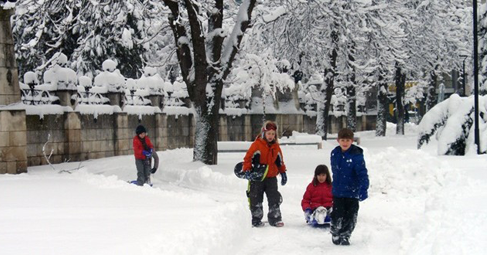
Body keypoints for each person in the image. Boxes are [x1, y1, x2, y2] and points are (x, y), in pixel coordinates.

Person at [243, 120, 287, 228]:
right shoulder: (257, 145)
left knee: (274, 198)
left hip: (271, 177)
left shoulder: (276, 147)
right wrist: (247, 170)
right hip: (258, 177)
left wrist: (283, 172)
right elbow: (248, 158)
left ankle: (275, 218)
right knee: (256, 198)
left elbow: (280, 161)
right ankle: (256, 219)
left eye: (273, 134)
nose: (270, 136)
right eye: (268, 133)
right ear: (264, 133)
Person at [330, 128, 369, 245]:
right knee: (338, 215)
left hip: (352, 192)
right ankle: (336, 232)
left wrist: (363, 189)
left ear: (352, 141)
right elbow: (335, 172)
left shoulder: (356, 156)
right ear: (338, 141)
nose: (345, 143)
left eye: (347, 140)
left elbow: (362, 173)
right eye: (342, 140)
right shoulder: (335, 153)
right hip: (338, 192)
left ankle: (345, 235)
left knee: (350, 216)